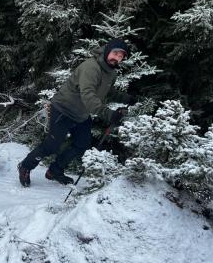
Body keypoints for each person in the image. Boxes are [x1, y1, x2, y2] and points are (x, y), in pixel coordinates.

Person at [18, 38, 136, 187]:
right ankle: (25, 166)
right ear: (107, 51)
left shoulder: (110, 72)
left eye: (121, 56)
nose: (117, 58)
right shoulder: (91, 68)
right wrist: (108, 113)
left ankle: (54, 171)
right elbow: (88, 95)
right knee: (52, 146)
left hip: (81, 114)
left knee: (82, 144)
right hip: (63, 109)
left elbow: (107, 90)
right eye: (115, 53)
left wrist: (125, 98)